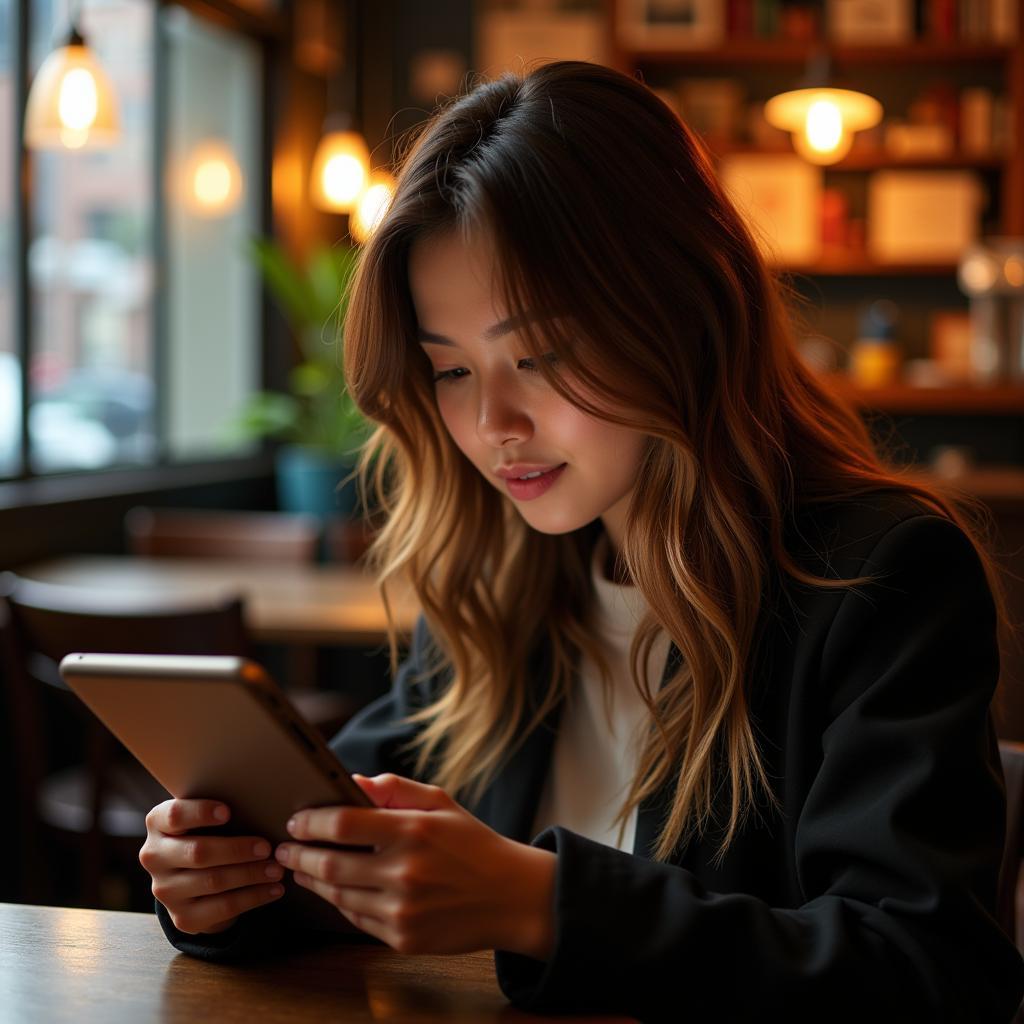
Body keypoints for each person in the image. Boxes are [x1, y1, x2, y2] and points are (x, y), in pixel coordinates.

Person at [139, 60, 1024, 1021]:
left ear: (682, 312)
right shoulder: (500, 574)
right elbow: (353, 844)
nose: (493, 423)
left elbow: (930, 975)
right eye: (450, 371)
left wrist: (540, 905)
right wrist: (233, 889)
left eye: (542, 355)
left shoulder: (878, 577)